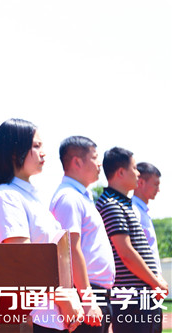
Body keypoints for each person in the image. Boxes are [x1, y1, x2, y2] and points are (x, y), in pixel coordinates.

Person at [0, 118, 83, 333]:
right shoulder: (5, 196)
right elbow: (23, 259)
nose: (43, 153)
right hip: (34, 317)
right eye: (36, 146)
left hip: (53, 317)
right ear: (15, 152)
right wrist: (64, 298)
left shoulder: (31, 197)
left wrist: (70, 297)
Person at [95, 147, 168, 333]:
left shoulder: (122, 204)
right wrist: (156, 282)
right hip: (132, 300)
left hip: (141, 297)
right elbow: (126, 253)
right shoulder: (111, 205)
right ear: (121, 172)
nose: (138, 174)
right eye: (134, 168)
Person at [50, 136, 115, 333]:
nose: (99, 163)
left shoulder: (81, 197)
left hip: (96, 292)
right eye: (94, 157)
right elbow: (70, 248)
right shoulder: (69, 198)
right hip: (86, 293)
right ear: (77, 162)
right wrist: (87, 300)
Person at [132, 162, 163, 333]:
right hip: (141, 291)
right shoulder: (133, 211)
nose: (158, 190)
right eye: (155, 184)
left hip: (152, 289)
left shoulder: (143, 212)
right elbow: (132, 253)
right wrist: (155, 281)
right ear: (141, 182)